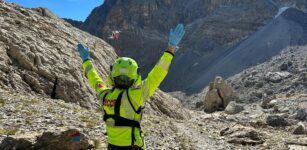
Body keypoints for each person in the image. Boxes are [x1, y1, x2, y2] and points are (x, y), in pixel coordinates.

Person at [76, 24, 185, 150]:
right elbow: (157, 74)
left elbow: (93, 78)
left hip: (112, 146)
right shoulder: (135, 95)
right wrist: (171, 48)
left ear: (112, 74)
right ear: (135, 76)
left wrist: (86, 60)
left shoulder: (104, 94)